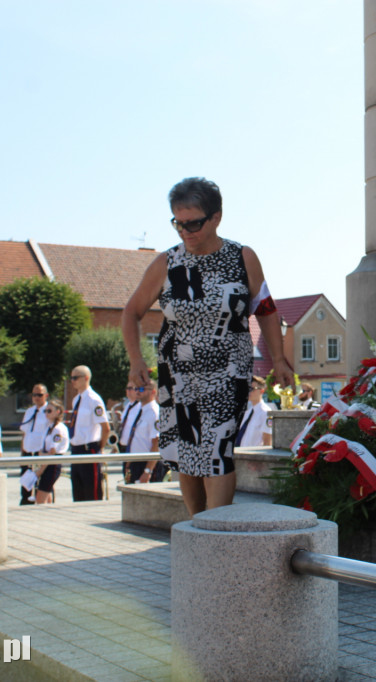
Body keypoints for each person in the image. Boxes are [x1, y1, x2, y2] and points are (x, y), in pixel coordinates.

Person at [122, 177, 294, 517]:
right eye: (178, 224)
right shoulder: (166, 264)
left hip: (228, 371)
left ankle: (215, 530)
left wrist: (280, 360)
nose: (185, 232)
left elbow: (267, 309)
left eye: (194, 223)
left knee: (217, 447)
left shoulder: (242, 257)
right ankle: (196, 525)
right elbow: (131, 312)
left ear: (216, 217)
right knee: (186, 450)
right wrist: (135, 359)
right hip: (178, 374)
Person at [67, 365, 110, 501]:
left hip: (89, 448)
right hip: (76, 449)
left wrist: (100, 447)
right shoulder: (76, 400)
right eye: (71, 378)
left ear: (86, 378)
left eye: (75, 378)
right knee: (78, 491)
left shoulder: (94, 399)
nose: (72, 381)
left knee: (92, 492)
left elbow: (106, 427)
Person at [124, 379, 164, 484]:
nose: (138, 391)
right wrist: (129, 463)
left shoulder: (154, 412)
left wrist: (148, 471)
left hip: (147, 463)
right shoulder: (140, 410)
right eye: (136, 388)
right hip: (135, 462)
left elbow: (157, 442)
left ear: (153, 392)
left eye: (142, 389)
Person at [18, 383, 50, 505]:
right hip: (27, 452)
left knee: (41, 485)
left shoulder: (49, 411)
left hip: (40, 453)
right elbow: (24, 432)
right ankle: (25, 504)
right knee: (25, 484)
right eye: (34, 395)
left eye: (40, 395)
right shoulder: (29, 411)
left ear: (46, 395)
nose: (36, 397)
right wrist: (23, 451)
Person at [35, 399, 68, 504]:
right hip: (47, 463)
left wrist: (41, 470)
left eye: (49, 411)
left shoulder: (58, 429)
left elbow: (52, 451)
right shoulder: (49, 426)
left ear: (58, 412)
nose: (46, 413)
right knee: (47, 496)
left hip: (52, 464)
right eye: (45, 411)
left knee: (40, 499)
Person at [237, 376, 273, 448]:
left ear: (262, 391)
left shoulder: (266, 413)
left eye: (252, 389)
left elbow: (267, 441)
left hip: (254, 456)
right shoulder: (247, 413)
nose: (248, 392)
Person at [117, 383, 142, 476]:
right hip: (124, 448)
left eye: (131, 388)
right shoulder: (128, 406)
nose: (128, 391)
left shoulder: (140, 407)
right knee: (127, 477)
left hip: (133, 448)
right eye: (127, 388)